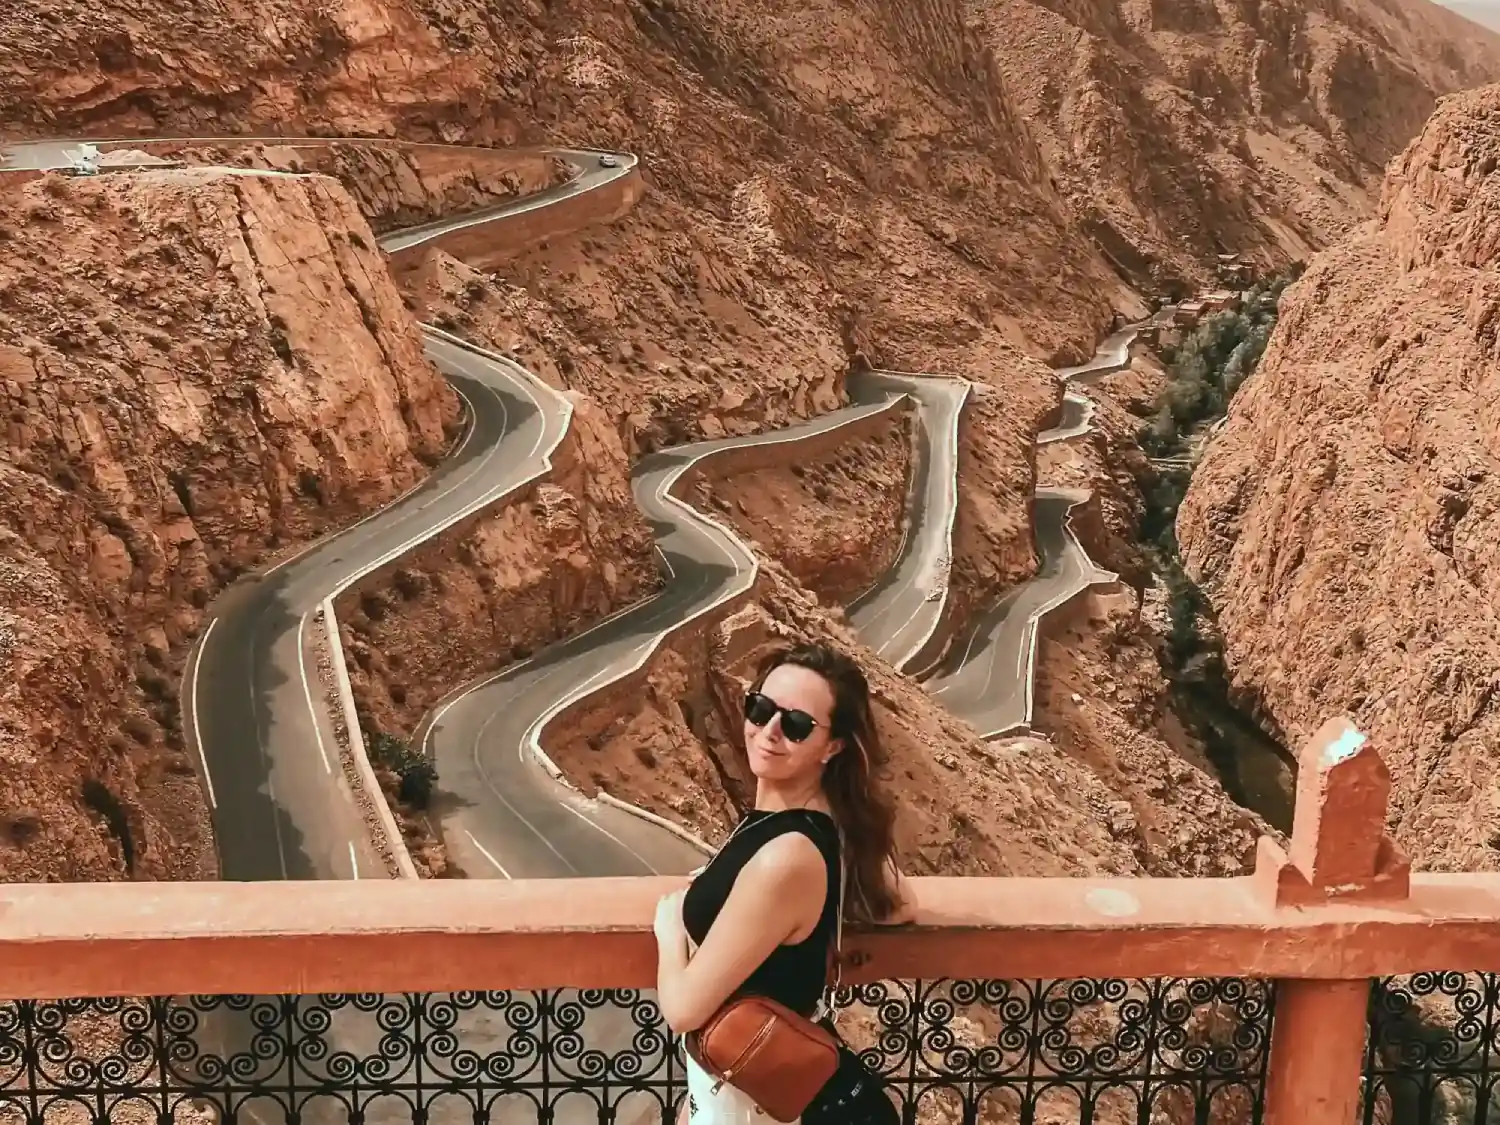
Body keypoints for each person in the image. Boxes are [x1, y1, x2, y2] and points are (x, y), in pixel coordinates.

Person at [653, 641, 915, 1125]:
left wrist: (670, 929)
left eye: (796, 725)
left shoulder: (787, 857)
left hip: (761, 1104)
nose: (769, 731)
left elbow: (684, 1010)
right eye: (761, 708)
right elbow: (899, 902)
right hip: (750, 1086)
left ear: (832, 746)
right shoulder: (817, 823)